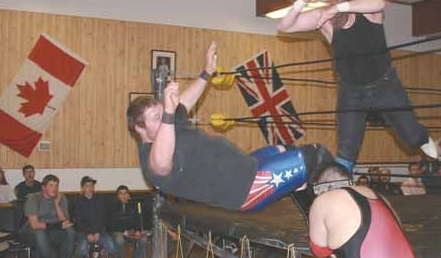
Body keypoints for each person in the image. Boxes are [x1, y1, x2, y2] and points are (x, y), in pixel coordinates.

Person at [127, 42, 334, 213]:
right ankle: (342, 219)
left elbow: (185, 101)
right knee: (316, 155)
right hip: (246, 187)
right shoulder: (150, 161)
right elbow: (162, 163)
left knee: (287, 149)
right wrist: (169, 114)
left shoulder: (169, 123)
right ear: (140, 129)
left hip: (248, 164)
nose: (163, 116)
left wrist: (206, 73)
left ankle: (309, 213)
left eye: (162, 112)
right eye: (156, 116)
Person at [277, 0, 438, 172]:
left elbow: (379, 2)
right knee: (347, 147)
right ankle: (340, 183)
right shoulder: (324, 19)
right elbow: (285, 26)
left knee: (412, 137)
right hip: (351, 90)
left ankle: (422, 137)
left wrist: (336, 8)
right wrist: (303, 0)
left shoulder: (365, 10)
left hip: (385, 85)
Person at [19, 174, 75, 258]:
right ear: (43, 187)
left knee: (70, 231)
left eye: (56, 186)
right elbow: (34, 225)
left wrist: (56, 204)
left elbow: (64, 222)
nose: (54, 189)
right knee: (40, 233)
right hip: (30, 231)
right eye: (51, 185)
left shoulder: (62, 198)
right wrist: (58, 226)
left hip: (52, 229)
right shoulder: (34, 198)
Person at [73, 176, 117, 258]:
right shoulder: (77, 201)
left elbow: (103, 218)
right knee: (82, 246)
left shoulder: (100, 200)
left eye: (92, 186)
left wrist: (97, 231)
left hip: (99, 231)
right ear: (82, 188)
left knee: (110, 244)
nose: (90, 188)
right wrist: (88, 233)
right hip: (83, 231)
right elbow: (78, 220)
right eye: (87, 186)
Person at [106, 185, 148, 258]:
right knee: (119, 240)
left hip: (131, 232)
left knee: (143, 239)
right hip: (118, 232)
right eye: (121, 194)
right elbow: (111, 224)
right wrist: (123, 231)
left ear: (128, 195)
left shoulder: (134, 205)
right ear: (117, 196)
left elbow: (138, 220)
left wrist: (138, 231)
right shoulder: (112, 206)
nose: (124, 196)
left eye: (125, 193)